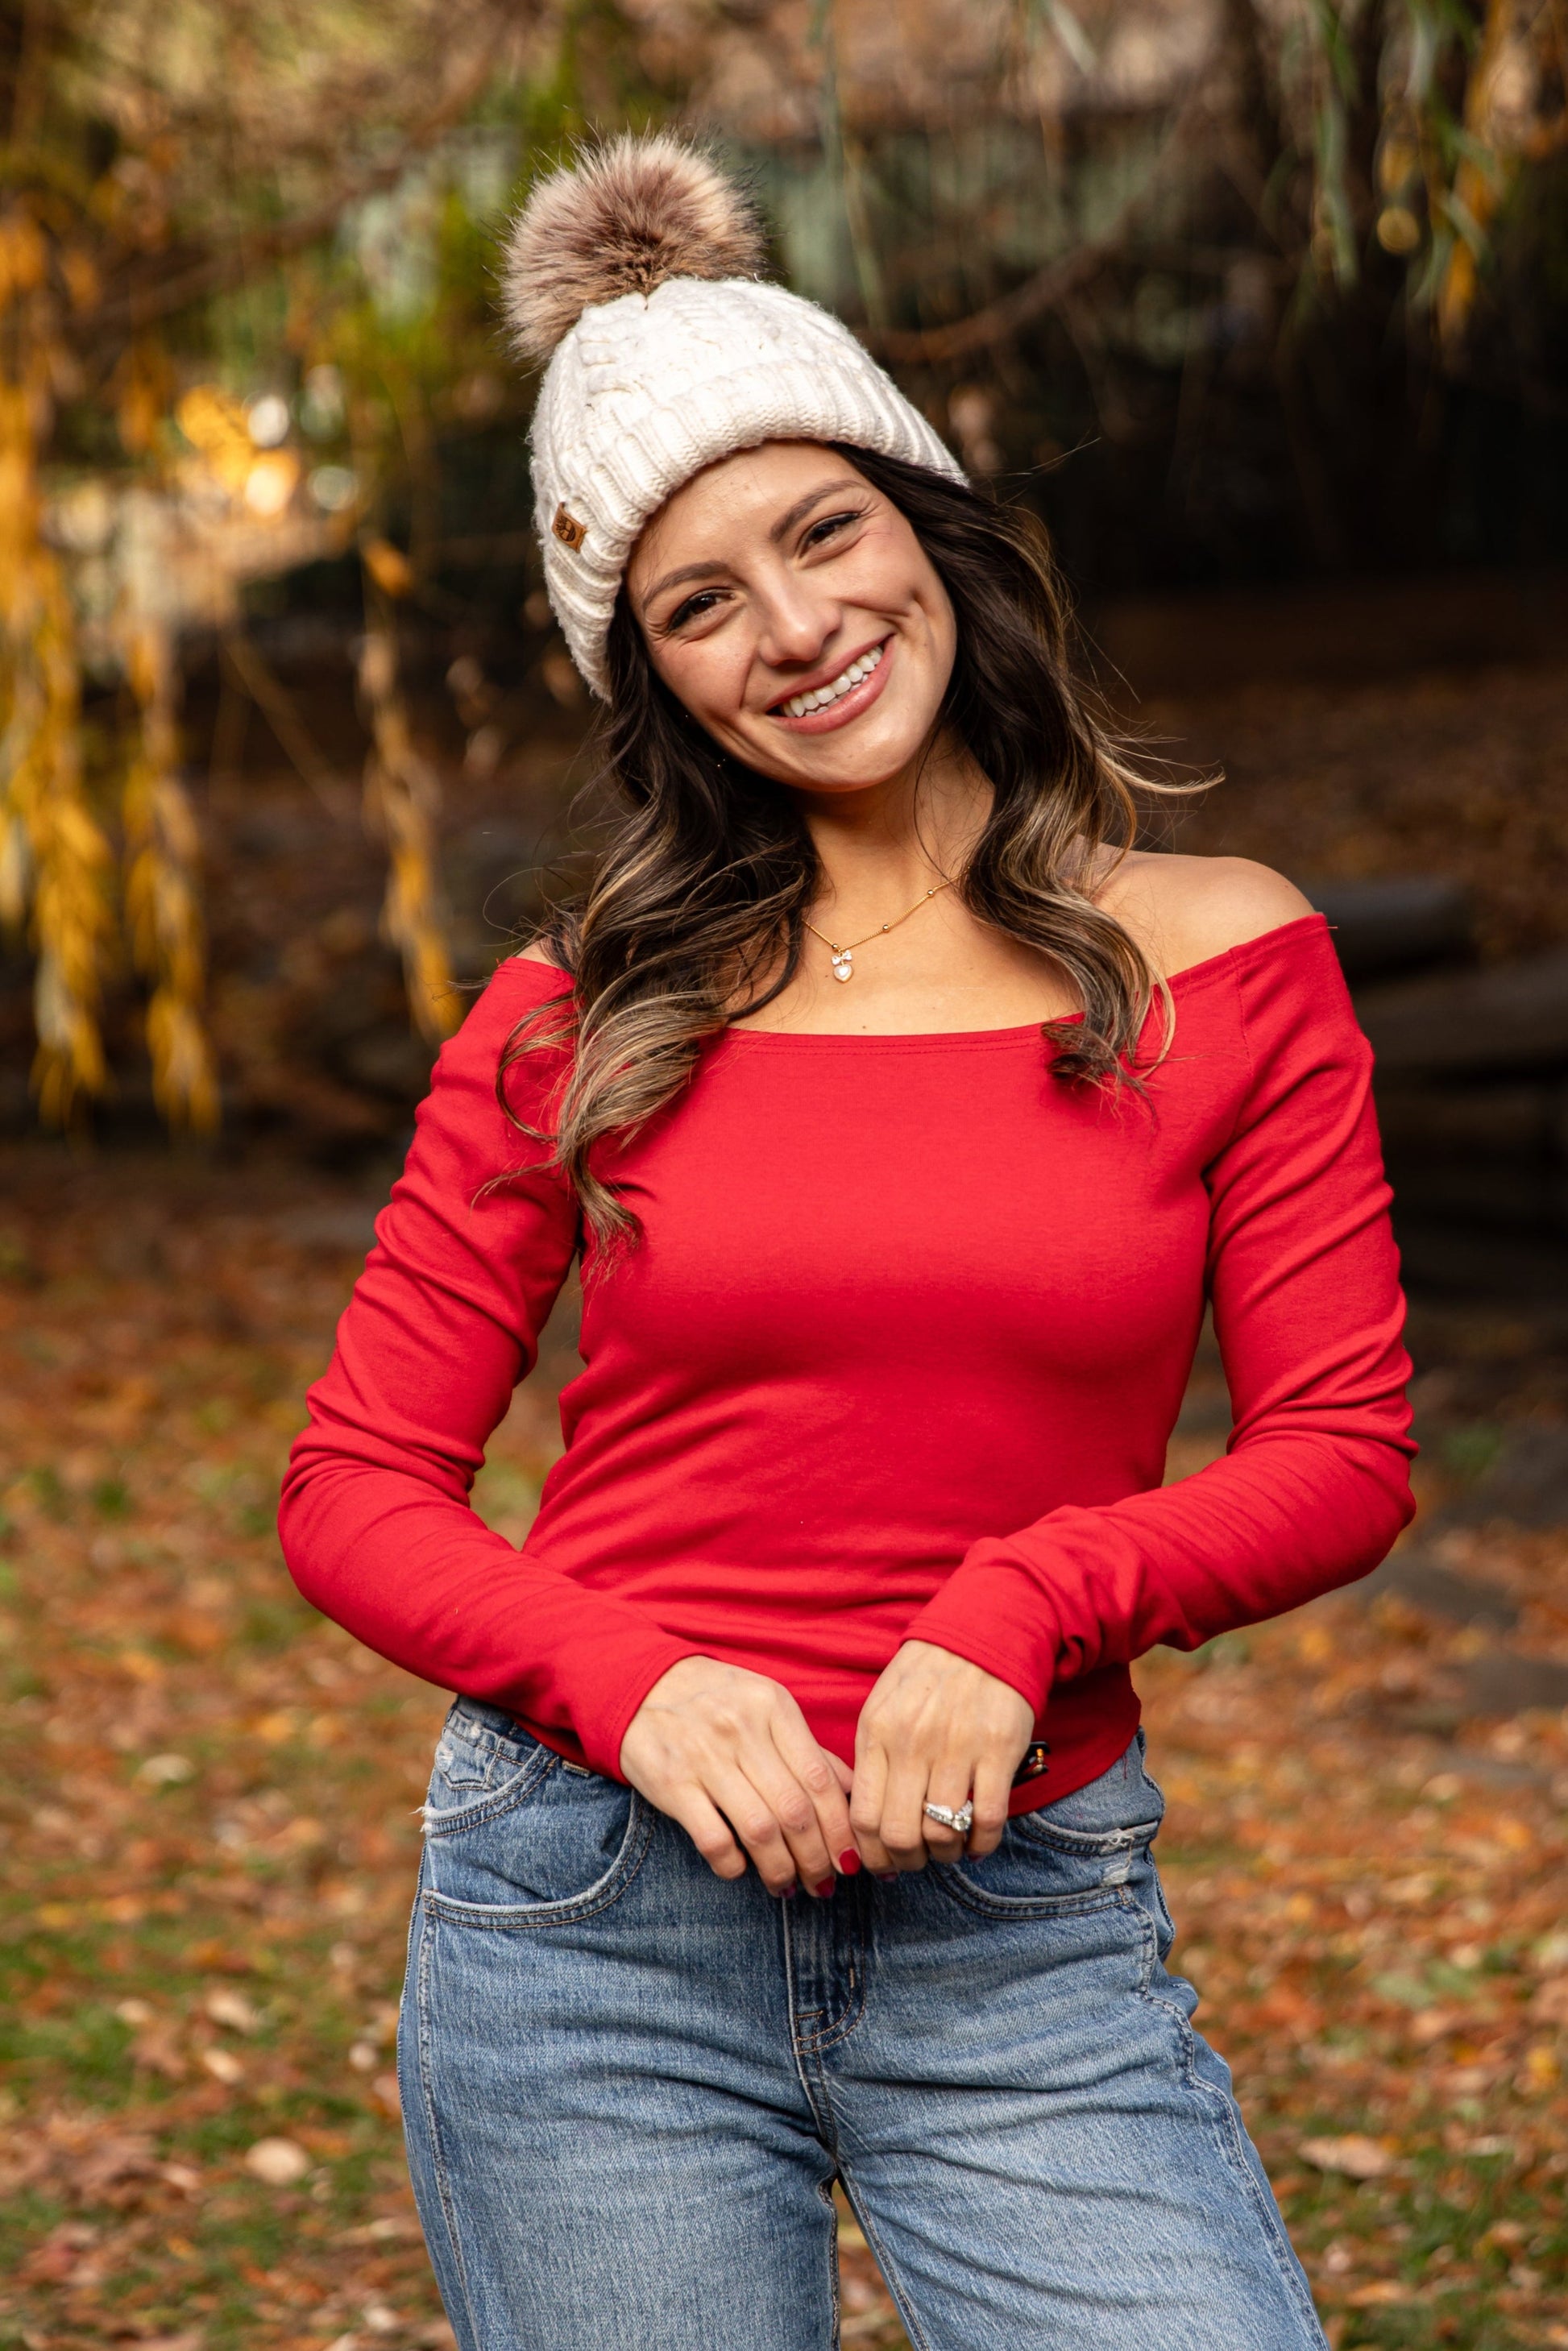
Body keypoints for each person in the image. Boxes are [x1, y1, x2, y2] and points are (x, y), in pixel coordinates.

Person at [280, 135, 1414, 2351]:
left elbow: (1343, 1452)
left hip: (1021, 1919)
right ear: (653, 678)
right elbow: (349, 1489)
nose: (793, 627)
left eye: (823, 533)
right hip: (591, 1914)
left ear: (932, 537)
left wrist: (1030, 1598)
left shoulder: (1224, 959)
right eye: (698, 601)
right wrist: (628, 1677)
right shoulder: (574, 1023)